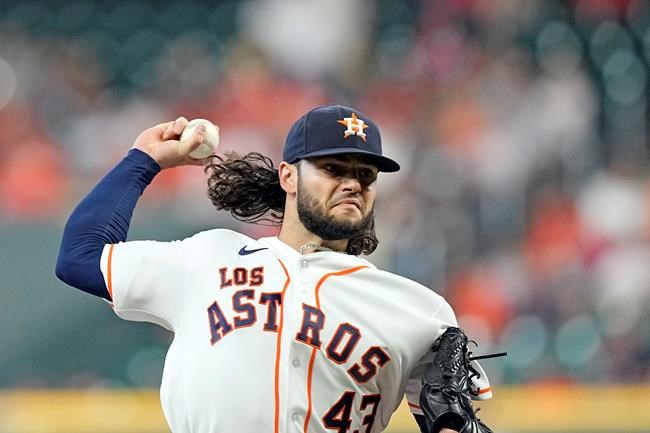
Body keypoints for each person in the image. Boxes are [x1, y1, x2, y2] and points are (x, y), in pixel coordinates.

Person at [56, 104, 492, 433]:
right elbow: (79, 257)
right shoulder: (207, 258)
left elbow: (453, 422)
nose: (352, 183)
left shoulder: (419, 310)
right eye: (332, 168)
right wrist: (143, 161)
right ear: (288, 177)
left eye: (366, 174)